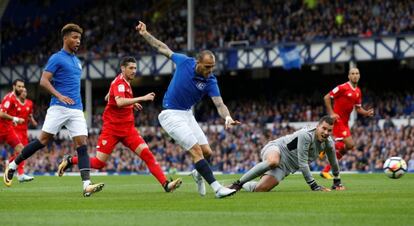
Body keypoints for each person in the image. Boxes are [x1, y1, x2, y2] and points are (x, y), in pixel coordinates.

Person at [136, 21, 240, 198]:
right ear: (198, 62)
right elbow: (163, 48)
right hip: (170, 114)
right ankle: (217, 189)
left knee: (207, 152)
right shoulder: (184, 62)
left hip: (187, 114)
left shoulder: (211, 81)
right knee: (196, 151)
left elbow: (219, 104)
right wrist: (145, 34)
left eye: (212, 67)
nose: (210, 70)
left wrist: (227, 117)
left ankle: (197, 174)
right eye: (207, 67)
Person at [3, 23, 104, 197]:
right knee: (42, 141)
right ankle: (13, 165)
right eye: (74, 37)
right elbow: (43, 81)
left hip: (76, 109)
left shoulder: (77, 62)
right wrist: (59, 95)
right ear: (65, 39)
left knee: (82, 145)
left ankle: (86, 185)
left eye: (79, 38)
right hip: (58, 107)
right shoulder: (57, 58)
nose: (78, 41)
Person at [57, 56, 182, 192]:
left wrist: (131, 103)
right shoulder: (120, 83)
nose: (134, 71)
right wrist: (142, 98)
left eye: (135, 68)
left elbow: (108, 97)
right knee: (99, 163)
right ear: (123, 68)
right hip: (112, 129)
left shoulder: (121, 82)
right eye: (131, 68)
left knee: (147, 154)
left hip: (128, 129)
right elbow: (120, 102)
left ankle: (166, 184)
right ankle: (70, 160)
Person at [228, 116, 345, 192]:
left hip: (286, 167)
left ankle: (246, 184)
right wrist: (314, 186)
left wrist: (337, 181)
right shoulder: (307, 135)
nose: (326, 132)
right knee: (273, 161)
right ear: (317, 126)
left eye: (329, 130)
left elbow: (333, 161)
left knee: (261, 189)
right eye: (323, 128)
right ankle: (238, 184)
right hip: (277, 148)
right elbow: (303, 163)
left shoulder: (329, 143)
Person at [320, 67, 374, 179]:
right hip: (338, 121)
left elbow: (358, 108)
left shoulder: (358, 91)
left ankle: (325, 170)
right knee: (350, 145)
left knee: (346, 148)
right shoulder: (342, 87)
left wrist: (366, 113)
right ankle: (324, 148)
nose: (355, 75)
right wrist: (331, 113)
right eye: (352, 73)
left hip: (345, 123)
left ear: (359, 76)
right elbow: (326, 97)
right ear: (349, 76)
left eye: (357, 73)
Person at [0, 79, 31, 182]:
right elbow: (1, 113)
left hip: (8, 129)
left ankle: (10, 168)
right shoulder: (10, 98)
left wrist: (13, 121)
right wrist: (15, 119)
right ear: (14, 86)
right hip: (1, 129)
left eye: (22, 86)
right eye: (19, 86)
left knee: (22, 149)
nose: (21, 89)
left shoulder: (15, 99)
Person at [12, 87, 38, 182]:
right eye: (22, 91)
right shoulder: (14, 102)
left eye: (25, 91)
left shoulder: (30, 103)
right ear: (19, 93)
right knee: (21, 151)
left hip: (24, 131)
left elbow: (30, 114)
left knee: (23, 152)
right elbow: (11, 115)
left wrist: (33, 121)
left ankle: (10, 165)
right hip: (15, 130)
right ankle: (21, 174)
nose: (24, 93)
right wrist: (14, 121)